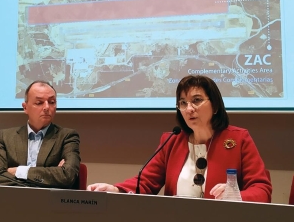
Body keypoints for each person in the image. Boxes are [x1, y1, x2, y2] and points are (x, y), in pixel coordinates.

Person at [88, 75, 272, 202]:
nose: (189, 108)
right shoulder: (172, 141)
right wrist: (115, 190)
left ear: (215, 105)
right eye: (183, 103)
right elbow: (145, 182)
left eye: (197, 100)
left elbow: (261, 189)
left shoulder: (238, 139)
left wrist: (236, 196)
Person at [0, 80, 81, 188]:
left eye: (52, 102)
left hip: (50, 202)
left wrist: (19, 171)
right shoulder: (5, 136)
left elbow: (67, 176)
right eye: (39, 103)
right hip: (12, 201)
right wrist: (47, 179)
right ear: (25, 107)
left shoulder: (67, 136)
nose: (46, 107)